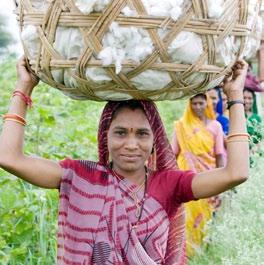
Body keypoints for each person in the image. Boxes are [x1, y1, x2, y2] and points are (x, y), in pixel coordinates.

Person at [0, 57, 250, 265]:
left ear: (155, 140)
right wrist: (24, 87)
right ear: (105, 136)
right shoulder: (81, 177)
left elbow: (235, 173)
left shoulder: (172, 184)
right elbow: (9, 157)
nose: (131, 144)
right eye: (121, 132)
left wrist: (235, 96)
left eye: (142, 134)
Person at [171, 93, 225, 256]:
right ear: (189, 105)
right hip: (186, 179)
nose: (198, 107)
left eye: (201, 103)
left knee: (207, 218)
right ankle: (185, 254)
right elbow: (173, 152)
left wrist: (222, 183)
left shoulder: (216, 126)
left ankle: (202, 253)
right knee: (186, 215)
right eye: (194, 103)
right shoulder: (181, 126)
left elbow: (220, 155)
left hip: (208, 179)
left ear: (207, 104)